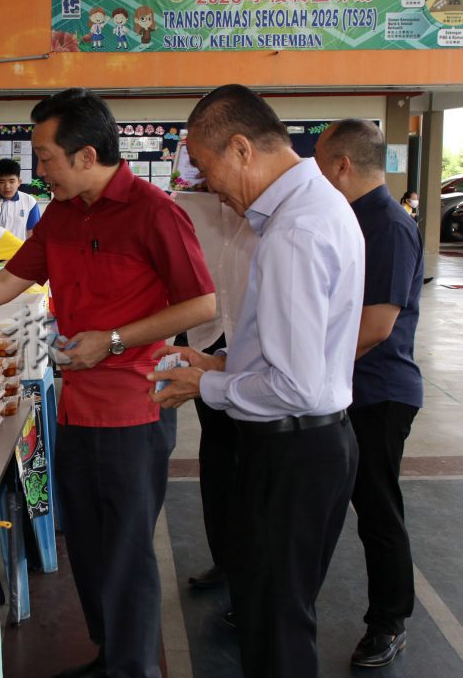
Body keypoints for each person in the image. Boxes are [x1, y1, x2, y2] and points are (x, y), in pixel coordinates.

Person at [0, 88, 215, 678]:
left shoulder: (155, 212)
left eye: (45, 156)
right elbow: (9, 281)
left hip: (134, 407)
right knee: (86, 545)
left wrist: (112, 339)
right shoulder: (61, 213)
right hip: (75, 404)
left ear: (86, 155)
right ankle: (109, 654)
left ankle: (133, 668)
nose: (38, 170)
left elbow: (201, 304)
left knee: (128, 553)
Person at [150, 84, 365, 678]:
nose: (207, 183)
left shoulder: (294, 231)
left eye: (207, 165)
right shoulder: (317, 207)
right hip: (314, 440)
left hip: (292, 449)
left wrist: (206, 388)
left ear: (242, 148)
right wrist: (219, 365)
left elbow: (294, 386)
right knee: (279, 613)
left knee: (274, 629)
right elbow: (302, 358)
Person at [314, 119, 424, 668]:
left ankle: (389, 620)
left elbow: (377, 324)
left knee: (377, 508)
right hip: (343, 388)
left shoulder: (387, 225)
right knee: (324, 500)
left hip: (378, 393)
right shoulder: (348, 220)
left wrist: (311, 368)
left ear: (342, 165)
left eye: (319, 162)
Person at [172, 192, 258, 594]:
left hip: (257, 341)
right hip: (207, 338)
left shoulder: (266, 205)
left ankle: (251, 569)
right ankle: (225, 560)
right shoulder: (184, 205)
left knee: (256, 458)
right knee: (219, 452)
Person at [0, 158, 41, 240]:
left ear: (19, 182)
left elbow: (33, 234)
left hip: (21, 251)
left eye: (11, 181)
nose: (7, 186)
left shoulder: (29, 202)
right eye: (2, 182)